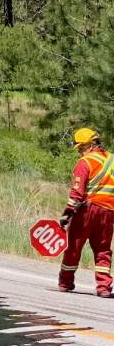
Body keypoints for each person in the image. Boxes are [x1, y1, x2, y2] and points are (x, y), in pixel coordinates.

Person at [58, 127, 114, 297]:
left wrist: (67, 213)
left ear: (89, 145)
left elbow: (77, 192)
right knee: (103, 249)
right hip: (109, 211)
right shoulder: (112, 160)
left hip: (87, 210)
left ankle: (66, 282)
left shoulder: (85, 162)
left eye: (81, 149)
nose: (80, 153)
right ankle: (104, 287)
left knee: (74, 246)